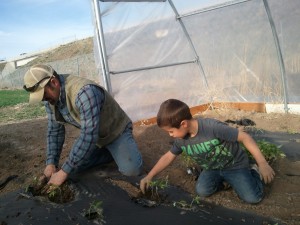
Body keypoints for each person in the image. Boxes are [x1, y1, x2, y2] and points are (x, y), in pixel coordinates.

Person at [23, 64, 143, 190]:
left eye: (43, 94)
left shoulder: (84, 92)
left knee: (132, 170)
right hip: (96, 139)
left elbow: (88, 135)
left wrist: (64, 172)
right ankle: (108, 153)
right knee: (74, 167)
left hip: (116, 132)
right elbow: (54, 131)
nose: (43, 99)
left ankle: (119, 148)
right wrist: (51, 163)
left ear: (53, 82)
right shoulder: (51, 99)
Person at [140, 99, 275, 204]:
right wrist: (149, 176)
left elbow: (245, 137)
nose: (170, 135)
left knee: (253, 198)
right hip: (211, 168)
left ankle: (253, 170)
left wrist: (263, 164)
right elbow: (169, 156)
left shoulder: (212, 127)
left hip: (234, 166)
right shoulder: (181, 139)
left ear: (183, 124)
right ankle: (226, 181)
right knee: (202, 191)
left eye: (171, 131)